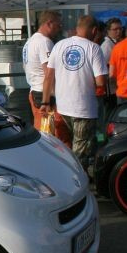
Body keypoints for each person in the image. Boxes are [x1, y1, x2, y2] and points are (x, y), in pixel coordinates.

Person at [41, 15, 107, 169]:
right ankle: (77, 178)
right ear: (94, 30)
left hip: (63, 106)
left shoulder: (59, 45)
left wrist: (45, 101)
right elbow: (101, 82)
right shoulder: (94, 48)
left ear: (77, 28)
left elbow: (48, 76)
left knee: (67, 146)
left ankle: (65, 173)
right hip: (84, 108)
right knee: (80, 151)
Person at [23, 10, 69, 142]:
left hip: (35, 91)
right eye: (58, 25)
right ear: (49, 23)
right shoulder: (44, 42)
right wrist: (51, 99)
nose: (60, 28)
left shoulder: (30, 41)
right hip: (46, 94)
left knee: (43, 134)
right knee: (57, 136)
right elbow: (49, 72)